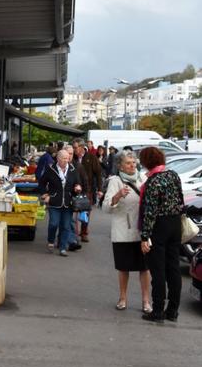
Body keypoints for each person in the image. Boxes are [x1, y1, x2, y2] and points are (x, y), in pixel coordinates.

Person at [139, 147, 183, 322]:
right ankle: (172, 311)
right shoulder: (173, 175)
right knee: (174, 268)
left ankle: (157, 311)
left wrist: (144, 237)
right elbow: (180, 199)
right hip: (175, 224)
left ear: (147, 162)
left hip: (159, 227)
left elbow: (150, 212)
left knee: (158, 271)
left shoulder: (152, 182)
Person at [103, 152, 151, 312]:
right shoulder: (115, 181)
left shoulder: (143, 179)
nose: (132, 165)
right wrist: (117, 196)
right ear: (120, 165)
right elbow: (105, 207)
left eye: (134, 162)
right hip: (123, 230)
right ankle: (122, 298)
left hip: (142, 231)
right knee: (124, 268)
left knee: (144, 268)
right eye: (128, 163)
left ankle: (146, 301)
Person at [38, 149, 82, 256]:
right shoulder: (51, 169)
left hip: (68, 202)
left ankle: (62, 248)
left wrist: (78, 188)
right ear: (58, 159)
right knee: (53, 224)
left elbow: (78, 183)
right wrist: (45, 194)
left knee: (66, 226)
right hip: (54, 201)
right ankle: (51, 240)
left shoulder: (72, 169)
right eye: (63, 158)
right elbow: (42, 183)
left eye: (67, 158)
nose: (66, 160)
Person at [72, 138, 103, 241]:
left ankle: (84, 232)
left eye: (76, 147)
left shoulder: (91, 157)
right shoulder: (72, 158)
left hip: (88, 189)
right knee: (73, 213)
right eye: (73, 147)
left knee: (85, 212)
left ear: (81, 147)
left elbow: (98, 173)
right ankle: (73, 234)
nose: (74, 149)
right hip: (73, 189)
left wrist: (100, 189)